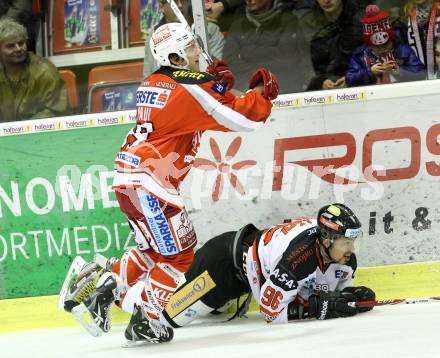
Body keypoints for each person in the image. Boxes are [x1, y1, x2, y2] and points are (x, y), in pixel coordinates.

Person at [59, 22, 279, 343]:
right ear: (175, 58)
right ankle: (140, 314)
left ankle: (94, 280)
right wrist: (259, 95)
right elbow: (242, 118)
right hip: (152, 184)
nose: (196, 51)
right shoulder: (191, 87)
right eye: (190, 48)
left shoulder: (155, 81)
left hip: (128, 178)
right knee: (180, 257)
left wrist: (214, 84)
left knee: (153, 252)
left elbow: (189, 109)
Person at [222, 0, 310, 94]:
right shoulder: (238, 26)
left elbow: (288, 62)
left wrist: (247, 54)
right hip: (246, 91)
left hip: (284, 92)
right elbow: (230, 64)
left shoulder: (288, 21)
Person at [0, 18, 69, 122]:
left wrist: (22, 129)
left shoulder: (44, 70)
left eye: (21, 43)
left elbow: (57, 111)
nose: (18, 49)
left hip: (43, 133)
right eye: (10, 46)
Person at [299, 0, 374, 90]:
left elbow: (377, 58)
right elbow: (302, 63)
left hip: (362, 88)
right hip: (322, 91)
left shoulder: (363, 18)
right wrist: (320, 81)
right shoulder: (307, 23)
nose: (326, 0)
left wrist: (354, 77)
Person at [346, 5, 425, 86]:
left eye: (386, 44)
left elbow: (422, 73)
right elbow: (349, 79)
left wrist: (401, 71)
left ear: (391, 40)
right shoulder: (360, 55)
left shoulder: (403, 50)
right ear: (369, 45)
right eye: (377, 47)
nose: (383, 49)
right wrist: (369, 71)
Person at [143, 0, 225, 77]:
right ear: (161, 7)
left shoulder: (208, 30)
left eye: (183, 0)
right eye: (174, 1)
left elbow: (222, 69)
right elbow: (148, 76)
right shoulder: (154, 38)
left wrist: (196, 47)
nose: (180, 5)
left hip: (204, 87)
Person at [394, 0, 440, 80]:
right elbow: (404, 58)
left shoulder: (439, 12)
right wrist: (401, 71)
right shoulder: (404, 19)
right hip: (417, 82)